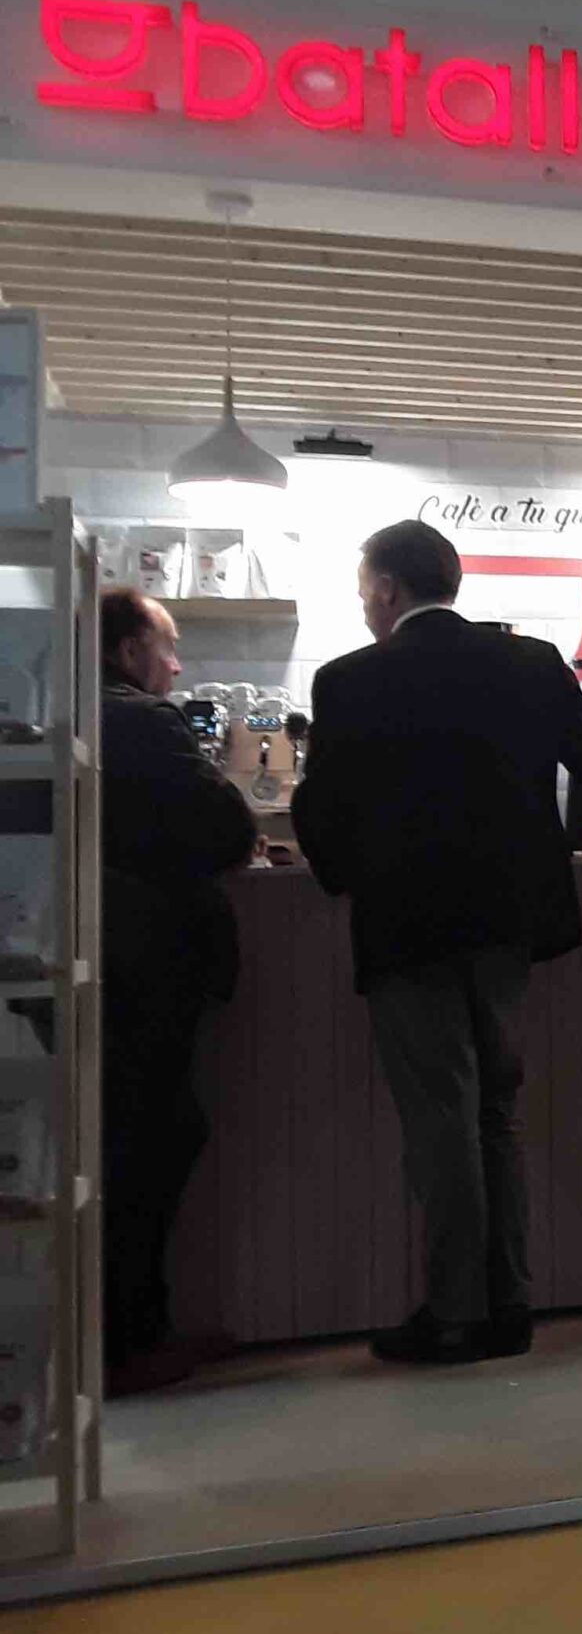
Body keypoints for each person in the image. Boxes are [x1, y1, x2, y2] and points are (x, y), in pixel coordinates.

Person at [292, 521, 582, 1366]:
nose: (363, 606)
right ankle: (509, 1304)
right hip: (509, 921)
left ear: (387, 589)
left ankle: (457, 1313)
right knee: (495, 1109)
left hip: (407, 925)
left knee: (442, 1116)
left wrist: (337, 875)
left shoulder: (349, 679)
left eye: (363, 590)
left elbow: (323, 807)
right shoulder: (530, 662)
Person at [90, 589, 256, 1394]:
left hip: (95, 960)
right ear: (128, 652)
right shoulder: (142, 721)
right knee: (149, 1141)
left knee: (121, 1142)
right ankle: (131, 1342)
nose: (179, 666)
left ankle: (118, 1335)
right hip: (146, 963)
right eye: (168, 646)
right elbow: (228, 830)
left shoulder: (64, 713)